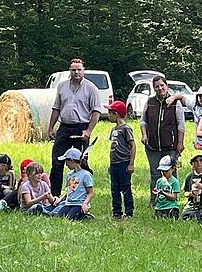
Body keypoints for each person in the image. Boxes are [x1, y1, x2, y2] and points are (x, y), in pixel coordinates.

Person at [47, 58, 103, 195]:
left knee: (81, 162)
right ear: (70, 71)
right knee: (57, 161)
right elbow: (56, 108)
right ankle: (54, 195)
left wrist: (88, 130)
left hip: (81, 128)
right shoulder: (62, 86)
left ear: (83, 70)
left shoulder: (91, 88)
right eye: (73, 70)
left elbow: (96, 111)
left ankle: (81, 194)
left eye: (79, 69)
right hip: (64, 127)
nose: (76, 72)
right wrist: (50, 127)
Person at [141, 75, 186, 206]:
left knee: (171, 173)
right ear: (154, 88)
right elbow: (143, 121)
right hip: (153, 146)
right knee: (155, 174)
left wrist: (180, 143)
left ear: (166, 86)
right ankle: (154, 201)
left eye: (162, 85)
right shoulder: (150, 102)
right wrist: (144, 135)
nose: (160, 88)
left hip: (170, 146)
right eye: (157, 86)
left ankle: (173, 199)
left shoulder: (175, 103)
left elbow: (181, 125)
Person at [105, 100, 136, 219]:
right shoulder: (113, 130)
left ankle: (129, 212)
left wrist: (131, 163)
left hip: (124, 163)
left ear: (116, 114)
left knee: (126, 188)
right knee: (114, 189)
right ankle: (116, 212)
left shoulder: (126, 129)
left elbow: (133, 146)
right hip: (114, 164)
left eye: (110, 112)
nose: (108, 115)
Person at [52, 148, 94, 220]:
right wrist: (60, 199)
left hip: (79, 204)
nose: (66, 165)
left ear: (71, 160)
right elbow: (69, 190)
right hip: (69, 203)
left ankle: (85, 214)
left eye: (66, 162)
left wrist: (85, 203)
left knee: (69, 218)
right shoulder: (69, 175)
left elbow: (90, 193)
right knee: (58, 217)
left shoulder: (86, 175)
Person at [180, 151, 202, 220]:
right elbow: (185, 192)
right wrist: (190, 194)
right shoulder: (189, 176)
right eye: (196, 161)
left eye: (201, 160)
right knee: (183, 216)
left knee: (200, 216)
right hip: (191, 205)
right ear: (192, 163)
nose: (199, 163)